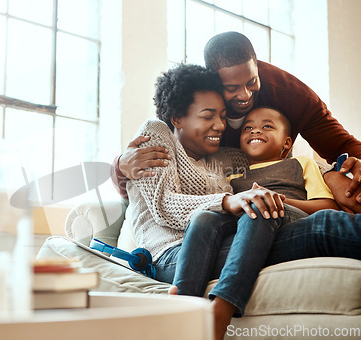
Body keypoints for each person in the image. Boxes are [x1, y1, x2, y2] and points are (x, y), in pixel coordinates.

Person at [127, 63, 298, 340]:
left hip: (221, 243)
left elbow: (279, 159)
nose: (219, 125)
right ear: (177, 118)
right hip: (171, 255)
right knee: (306, 230)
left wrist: (338, 172)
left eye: (222, 116)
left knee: (274, 219)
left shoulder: (227, 158)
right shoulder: (157, 134)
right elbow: (164, 206)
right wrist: (227, 201)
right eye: (208, 116)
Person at [113, 31, 361, 212]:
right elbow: (151, 183)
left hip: (286, 189)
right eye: (231, 87)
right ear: (212, 81)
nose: (244, 94)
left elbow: (343, 146)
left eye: (252, 81)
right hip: (236, 205)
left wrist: (331, 174)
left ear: (257, 68)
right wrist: (120, 166)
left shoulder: (291, 94)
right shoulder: (192, 105)